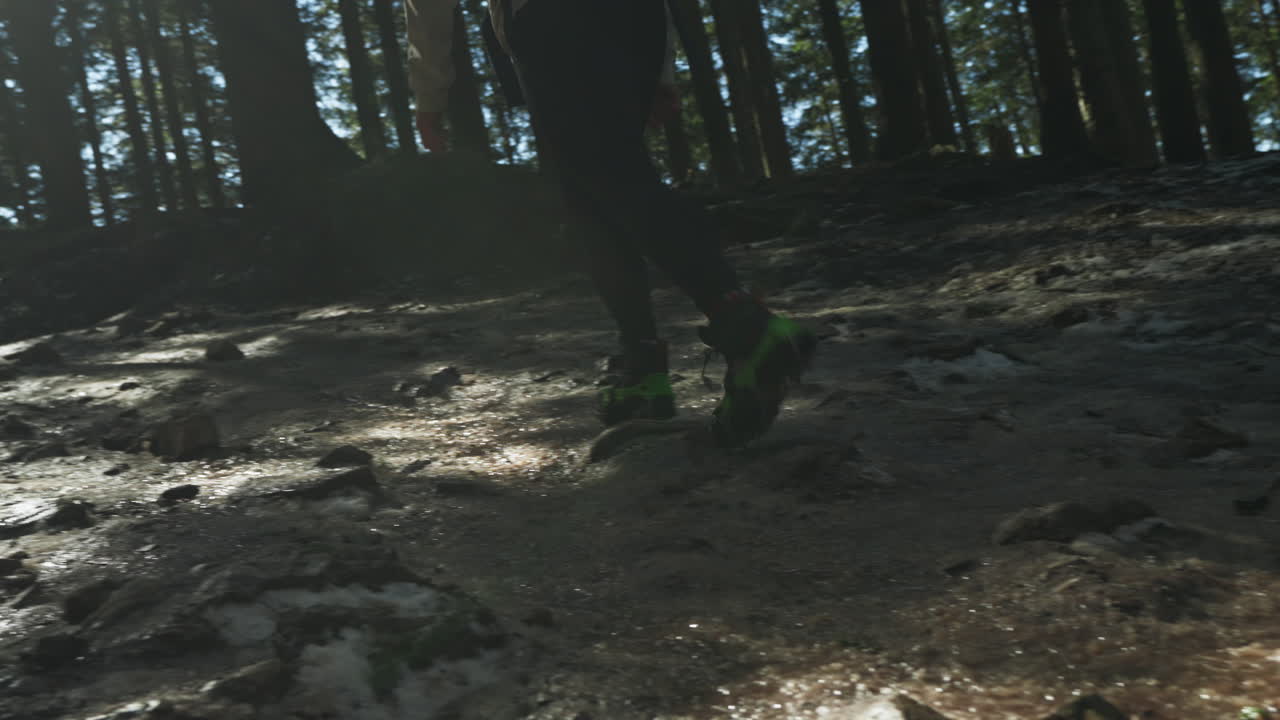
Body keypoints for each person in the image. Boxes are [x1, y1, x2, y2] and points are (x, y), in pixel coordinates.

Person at [404, 0, 816, 446]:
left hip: (550, 20)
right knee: (596, 193)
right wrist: (661, 69)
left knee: (605, 180)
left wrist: (429, 94)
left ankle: (745, 325)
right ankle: (641, 372)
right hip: (636, 19)